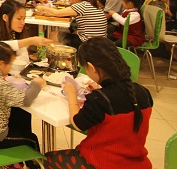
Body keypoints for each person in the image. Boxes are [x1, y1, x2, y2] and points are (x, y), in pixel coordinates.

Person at [43, 37, 153, 169]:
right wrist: (100, 92)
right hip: (137, 163)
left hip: (101, 163)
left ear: (91, 67)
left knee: (48, 158)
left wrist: (71, 95)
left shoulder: (99, 99)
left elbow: (78, 123)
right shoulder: (143, 92)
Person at [0, 40, 45, 169]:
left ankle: (15, 164)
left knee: (21, 113)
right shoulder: (0, 85)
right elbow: (26, 99)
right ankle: (30, 164)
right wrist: (37, 84)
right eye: (10, 64)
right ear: (0, 64)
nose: (10, 67)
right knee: (32, 139)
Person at [35, 0, 106, 49]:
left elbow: (57, 13)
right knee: (71, 32)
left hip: (87, 42)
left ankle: (55, 58)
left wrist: (42, 8)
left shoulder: (81, 5)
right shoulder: (90, 4)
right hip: (100, 42)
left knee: (53, 34)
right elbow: (62, 14)